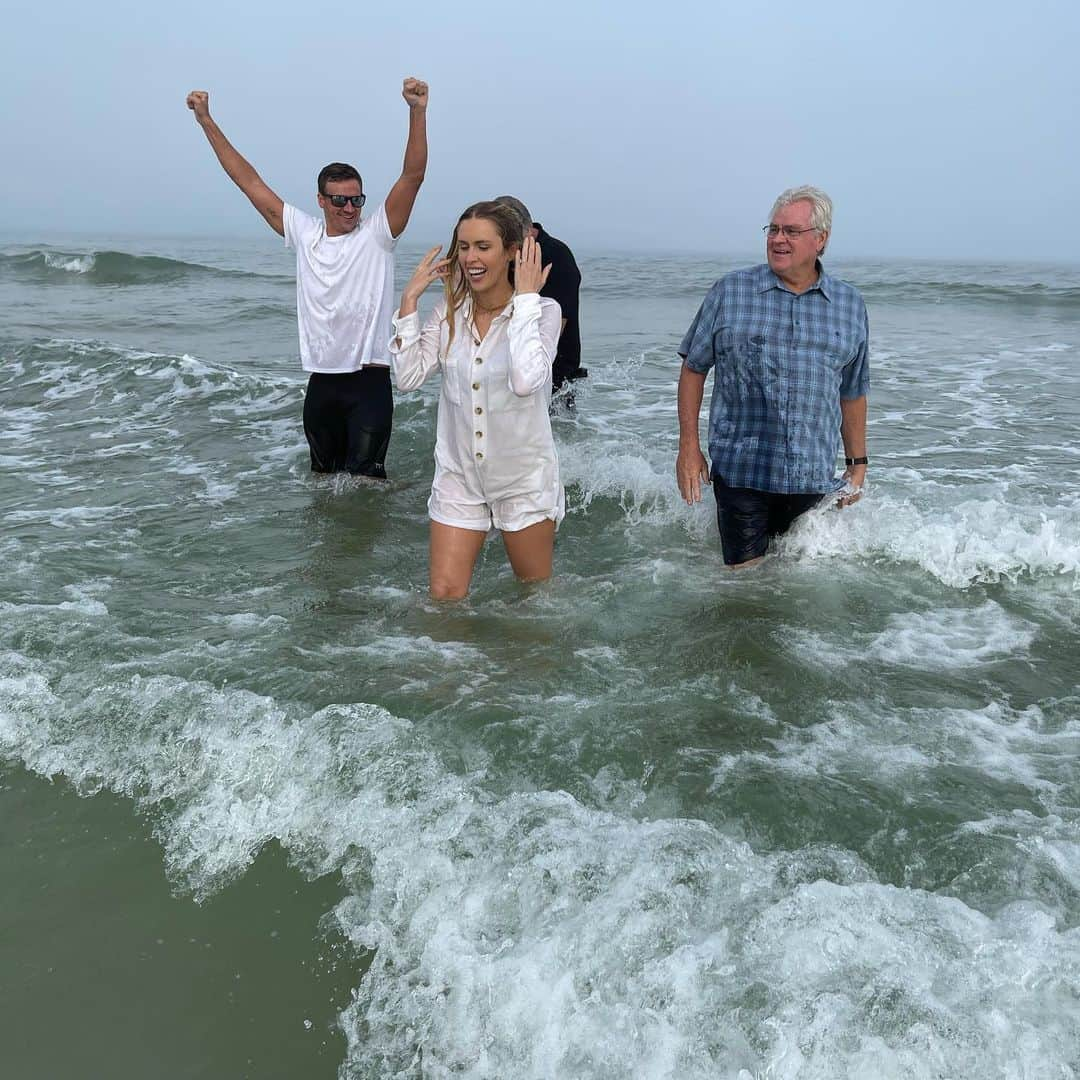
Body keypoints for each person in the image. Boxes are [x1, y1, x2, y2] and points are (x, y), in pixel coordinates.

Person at [185, 78, 429, 478]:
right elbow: (248, 181)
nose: (349, 208)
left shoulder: (378, 235)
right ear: (322, 200)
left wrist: (417, 111)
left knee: (366, 484)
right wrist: (206, 121)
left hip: (369, 380)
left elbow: (412, 176)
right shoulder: (304, 233)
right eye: (340, 200)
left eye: (356, 200)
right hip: (322, 381)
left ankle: (374, 540)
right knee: (322, 482)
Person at [675, 185, 869, 568]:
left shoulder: (850, 304)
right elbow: (694, 367)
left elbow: (852, 390)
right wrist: (689, 446)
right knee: (746, 591)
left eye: (791, 231)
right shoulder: (731, 291)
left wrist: (858, 462)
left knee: (798, 595)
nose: (779, 239)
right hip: (743, 472)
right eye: (773, 229)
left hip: (814, 478)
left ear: (821, 239)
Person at [390, 201, 563, 599]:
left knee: (532, 599)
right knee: (444, 598)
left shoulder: (545, 313)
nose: (471, 257)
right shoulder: (448, 313)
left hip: (523, 480)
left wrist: (524, 300)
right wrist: (409, 302)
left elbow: (525, 381)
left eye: (483, 246)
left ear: (511, 252)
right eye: (464, 246)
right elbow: (407, 376)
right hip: (459, 478)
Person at [493, 196, 585, 403]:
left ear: (528, 230)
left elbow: (555, 327)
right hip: (508, 366)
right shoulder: (504, 256)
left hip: (554, 370)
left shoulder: (556, 256)